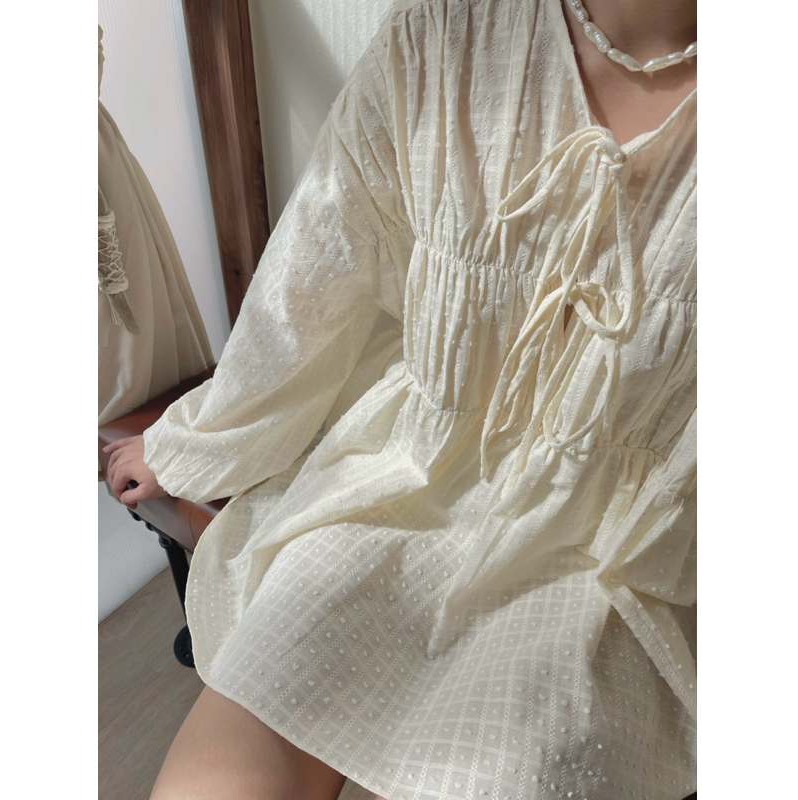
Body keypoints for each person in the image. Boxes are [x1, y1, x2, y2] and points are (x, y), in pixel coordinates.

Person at [104, 1, 698, 798]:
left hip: (625, 560)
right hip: (405, 480)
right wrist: (201, 439)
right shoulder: (445, 38)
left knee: (520, 771)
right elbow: (315, 278)